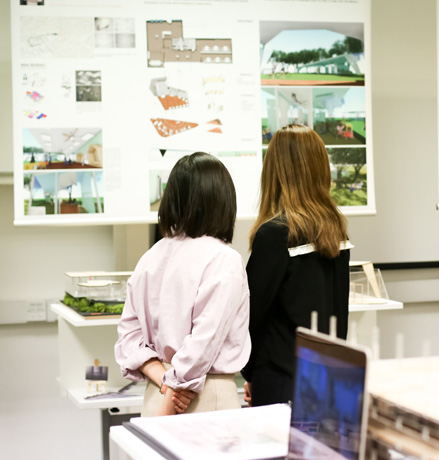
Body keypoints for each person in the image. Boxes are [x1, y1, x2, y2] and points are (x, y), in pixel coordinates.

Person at [114, 152, 250, 417]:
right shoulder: (224, 259)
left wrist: (164, 380)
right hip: (203, 398)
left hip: (159, 392)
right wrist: (175, 389)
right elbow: (204, 343)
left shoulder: (151, 256)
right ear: (223, 200)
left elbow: (128, 337)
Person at [242, 124, 351, 407]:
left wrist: (249, 372)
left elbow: (250, 313)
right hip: (327, 377)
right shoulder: (336, 231)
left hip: (280, 381)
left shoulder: (275, 234)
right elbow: (340, 310)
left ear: (275, 170)